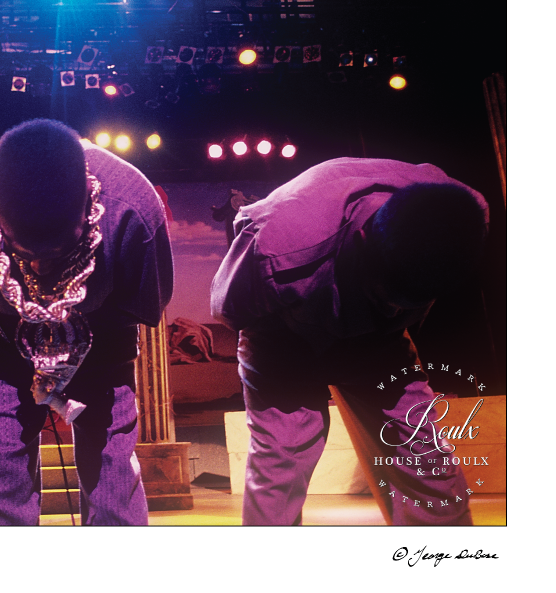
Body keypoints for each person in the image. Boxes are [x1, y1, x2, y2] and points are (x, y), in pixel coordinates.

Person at [0, 118, 173, 525]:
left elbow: (143, 304)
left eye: (58, 250)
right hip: (1, 338)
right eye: (22, 249)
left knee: (112, 472)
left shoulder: (133, 209)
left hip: (102, 337)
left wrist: (69, 359)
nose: (39, 266)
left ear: (89, 200)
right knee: (4, 471)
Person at [210, 157, 489, 525]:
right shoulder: (278, 244)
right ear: (363, 242)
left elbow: (398, 304)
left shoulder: (462, 216)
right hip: (282, 336)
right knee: (283, 456)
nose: (394, 310)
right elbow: (229, 309)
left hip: (378, 341)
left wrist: (385, 313)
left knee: (423, 451)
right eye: (386, 297)